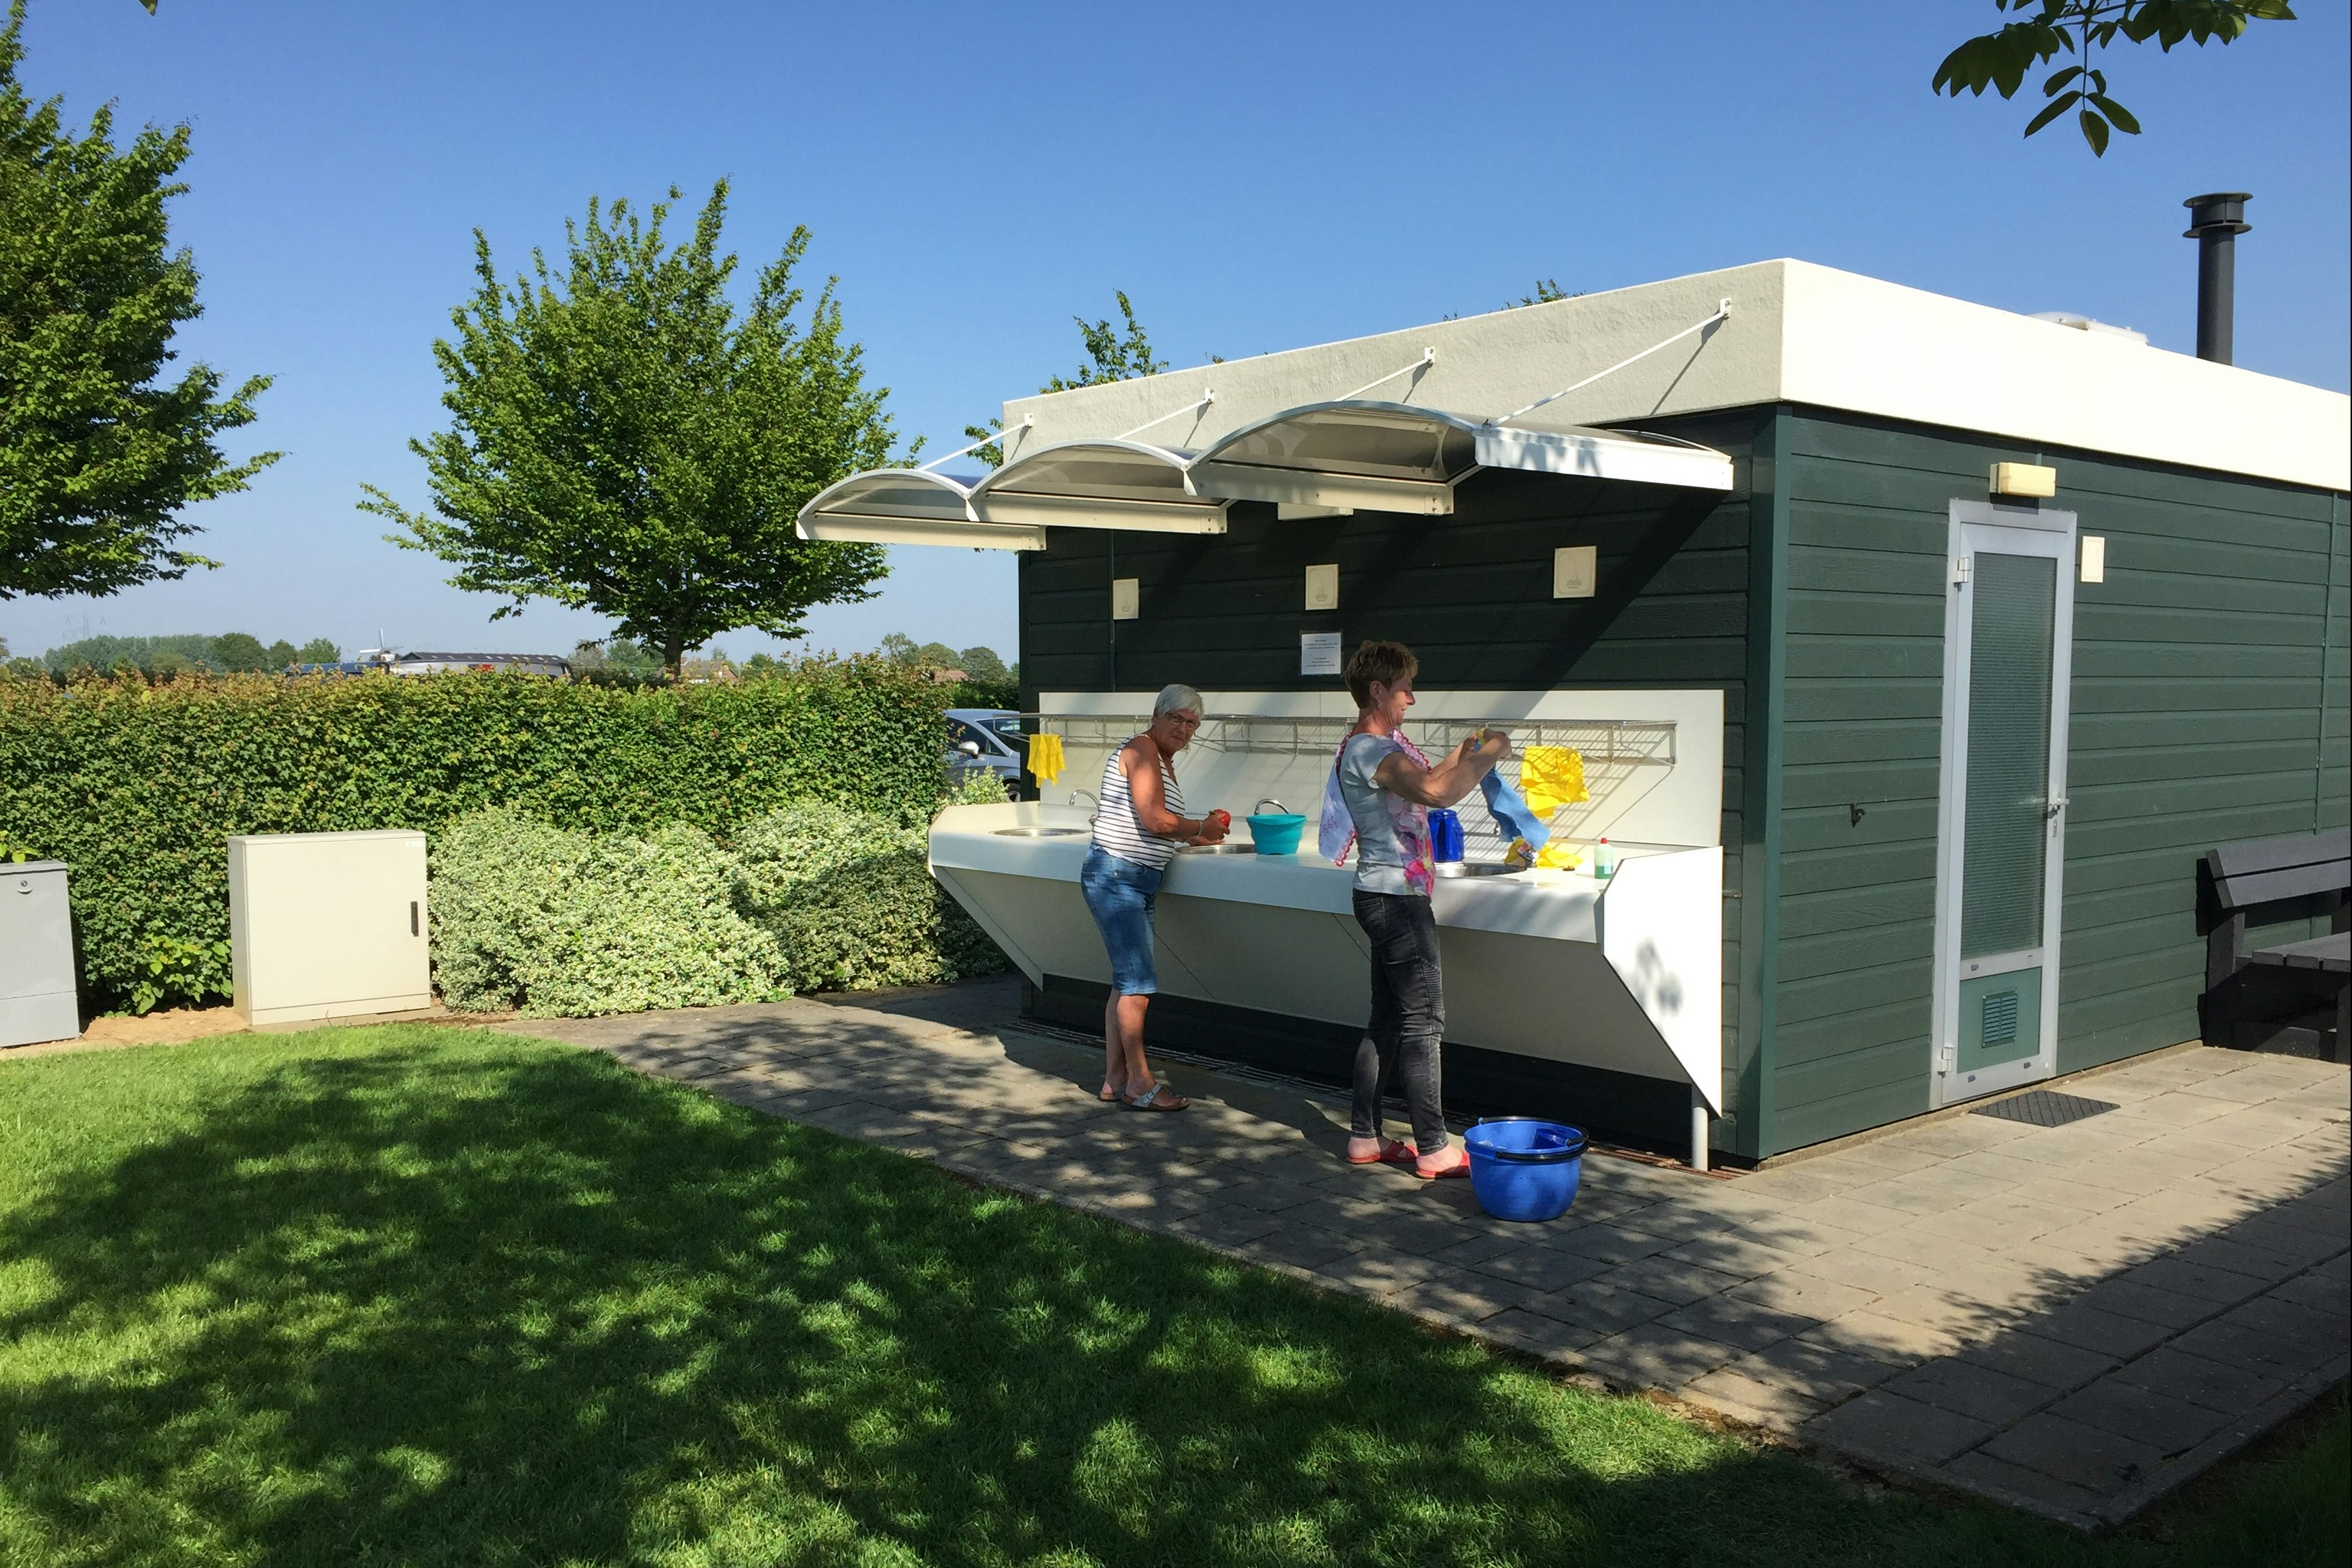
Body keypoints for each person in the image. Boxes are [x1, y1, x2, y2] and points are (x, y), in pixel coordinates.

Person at [1324, 640, 1508, 1177]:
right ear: (1377, 690)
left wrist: (1466, 749)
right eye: (1405, 687)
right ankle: (1434, 1147)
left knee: (1386, 1021)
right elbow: (1434, 793)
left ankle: (1366, 1137)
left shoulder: (1379, 745)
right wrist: (1491, 753)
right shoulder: (1370, 751)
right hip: (1398, 902)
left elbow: (1430, 778)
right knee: (1424, 1022)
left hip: (1380, 895)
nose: (1412, 697)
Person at [1082, 683, 1230, 1111]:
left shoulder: (1158, 758)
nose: (1184, 729)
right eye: (1177, 719)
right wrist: (1199, 825)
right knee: (1138, 987)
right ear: (1156, 715)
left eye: (1192, 724)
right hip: (1119, 877)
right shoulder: (1144, 750)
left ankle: (1115, 1080)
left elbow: (1156, 827)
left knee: (1124, 985)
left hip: (1130, 878)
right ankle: (1141, 1086)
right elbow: (1154, 820)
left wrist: (1200, 836)